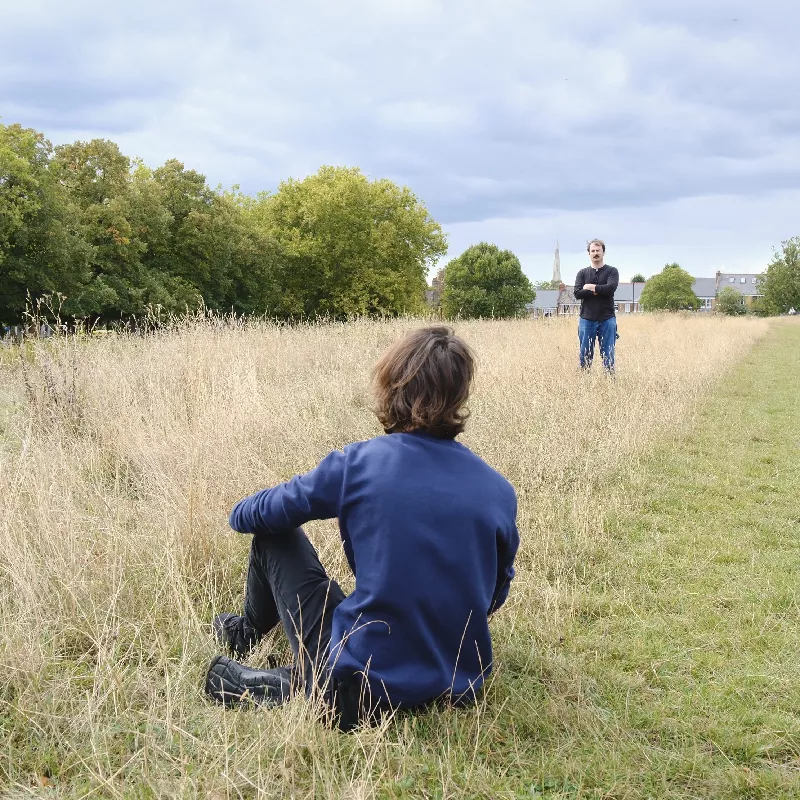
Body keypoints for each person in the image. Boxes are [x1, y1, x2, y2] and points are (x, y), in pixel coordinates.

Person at [205, 326, 520, 731]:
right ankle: (313, 678)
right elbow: (495, 593)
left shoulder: (359, 464)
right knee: (355, 603)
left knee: (274, 536)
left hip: (365, 671)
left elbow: (257, 516)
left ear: (393, 385)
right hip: (461, 677)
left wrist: (239, 509)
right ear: (458, 396)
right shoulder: (498, 489)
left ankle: (249, 636)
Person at [573, 239, 620, 372]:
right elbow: (577, 293)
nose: (595, 253)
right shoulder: (582, 273)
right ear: (589, 254)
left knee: (608, 354)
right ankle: (585, 383)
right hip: (587, 319)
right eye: (592, 251)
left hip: (607, 319)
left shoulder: (612, 271)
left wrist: (590, 287)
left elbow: (610, 289)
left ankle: (610, 382)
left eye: (598, 250)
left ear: (603, 252)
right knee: (585, 354)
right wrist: (599, 290)